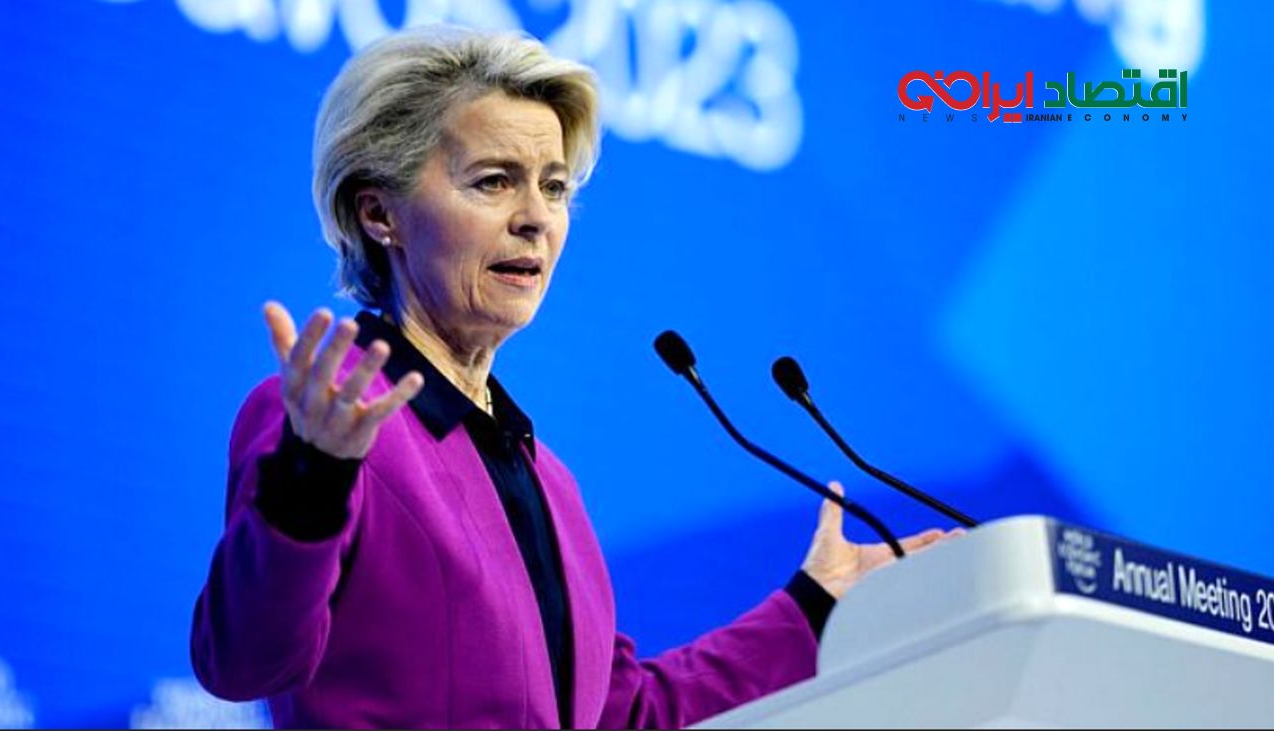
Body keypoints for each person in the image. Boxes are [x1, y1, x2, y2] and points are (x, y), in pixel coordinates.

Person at [190, 24, 955, 729]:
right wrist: (311, 477)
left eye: (553, 187)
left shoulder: (547, 479)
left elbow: (625, 713)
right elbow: (243, 661)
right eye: (493, 181)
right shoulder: (323, 420)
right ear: (378, 213)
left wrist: (812, 608)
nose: (536, 217)